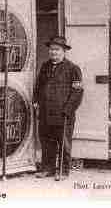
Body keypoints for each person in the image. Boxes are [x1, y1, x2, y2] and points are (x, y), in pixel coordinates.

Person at [34, 36, 84, 181]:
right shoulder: (45, 66)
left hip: (63, 114)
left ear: (64, 51)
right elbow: (38, 86)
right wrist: (36, 101)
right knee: (46, 141)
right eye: (51, 50)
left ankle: (63, 171)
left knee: (64, 143)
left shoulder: (73, 69)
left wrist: (68, 110)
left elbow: (77, 92)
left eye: (57, 50)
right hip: (45, 112)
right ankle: (47, 169)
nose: (53, 53)